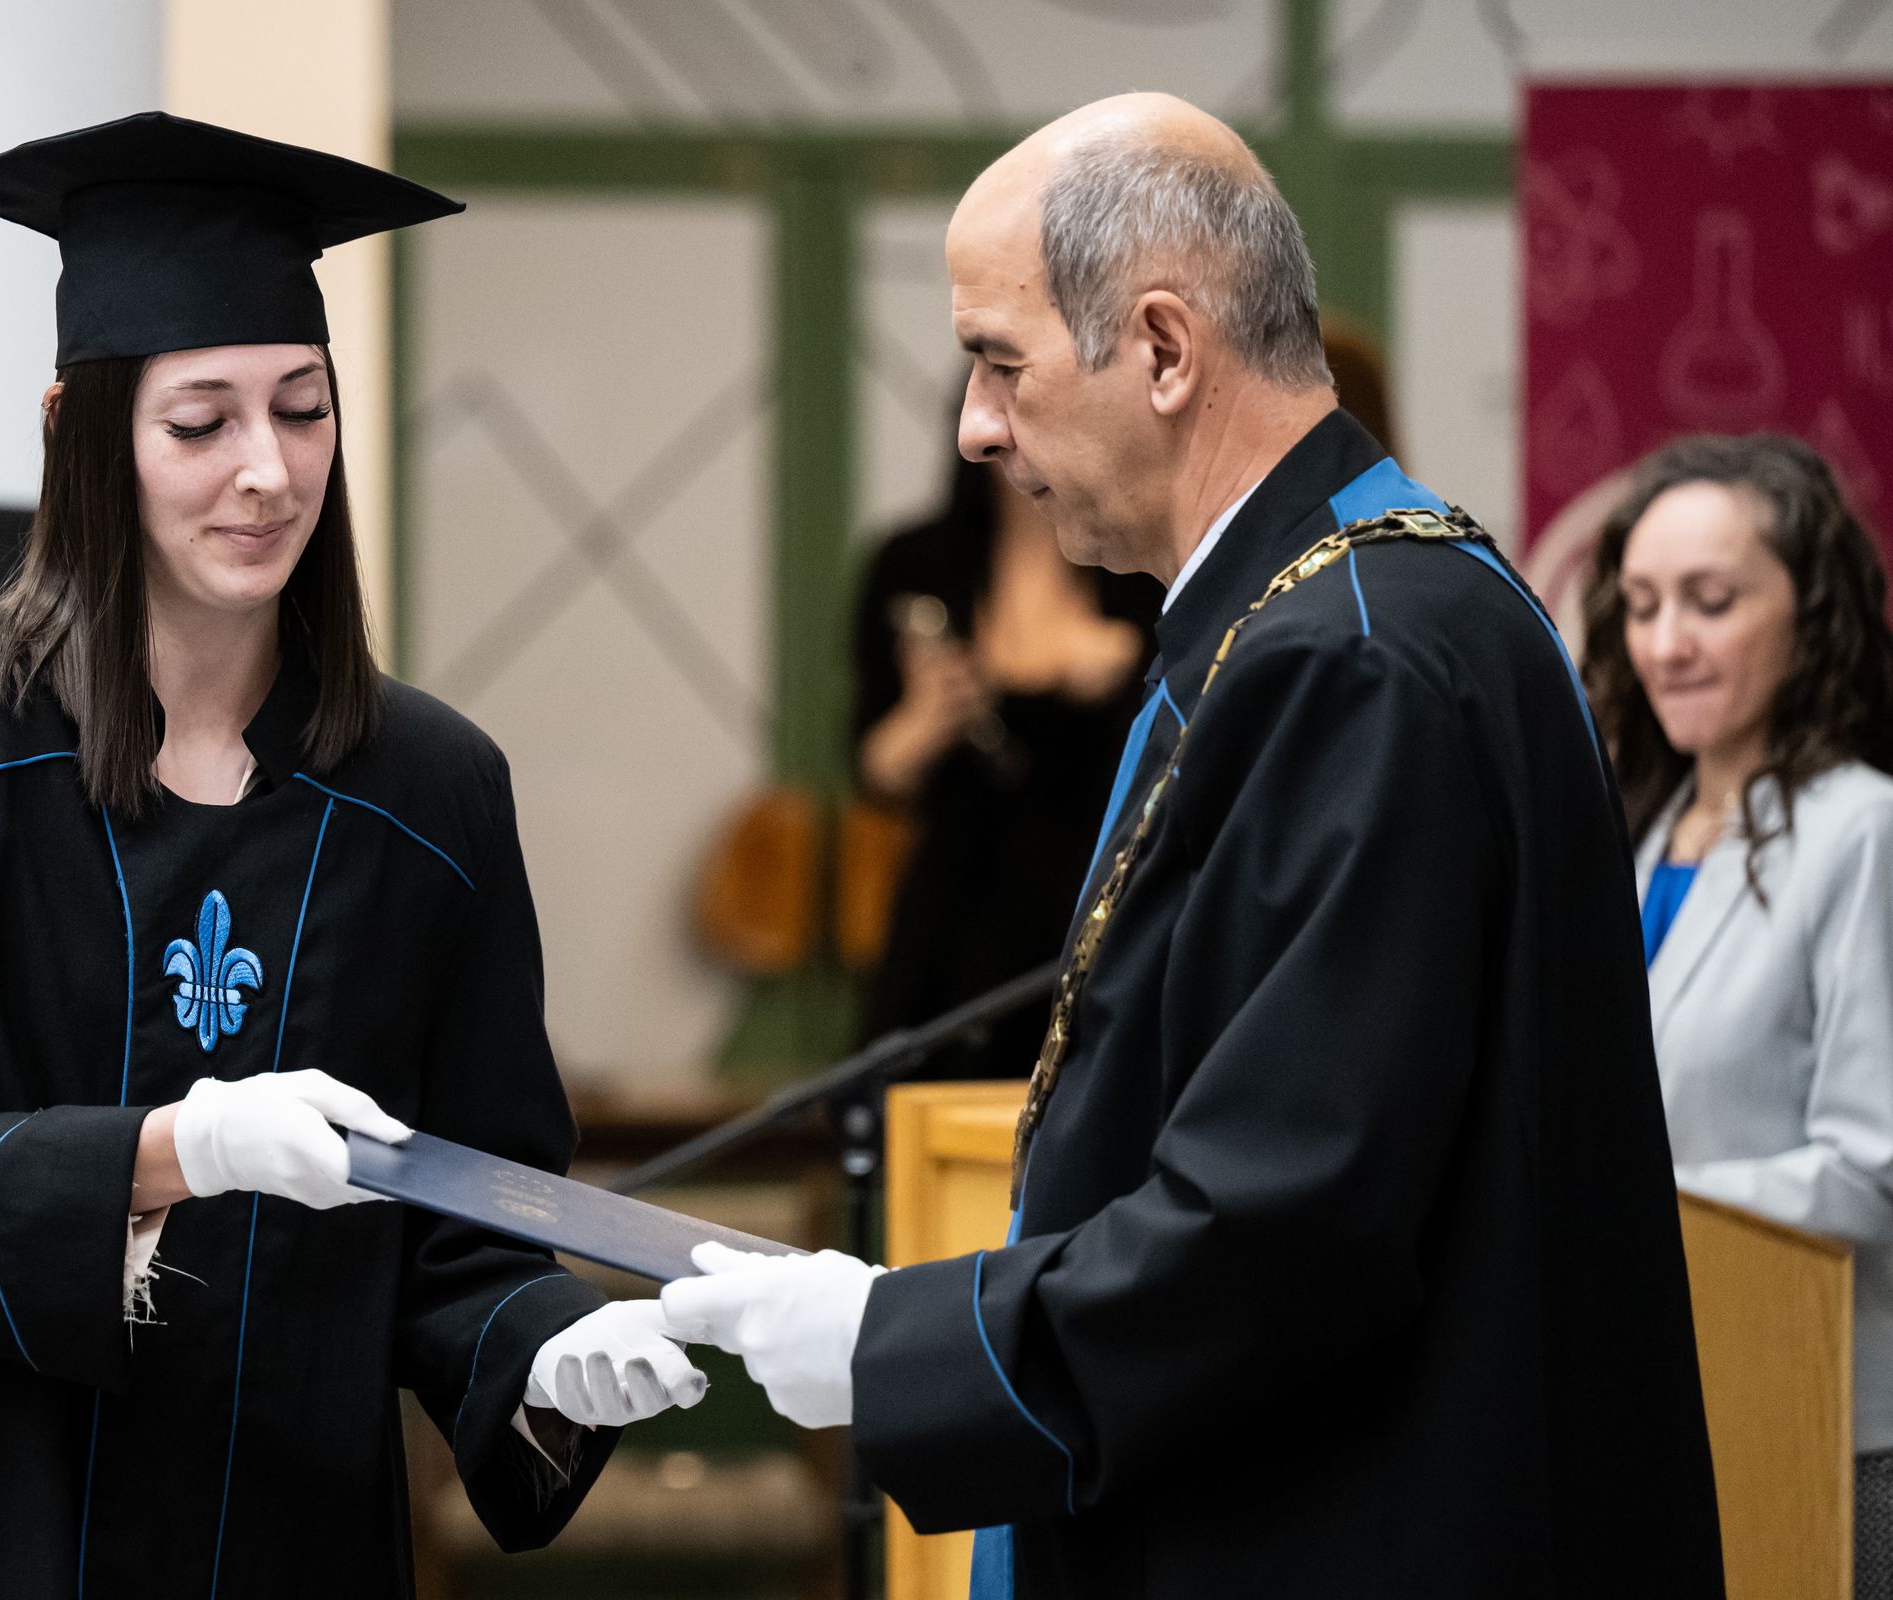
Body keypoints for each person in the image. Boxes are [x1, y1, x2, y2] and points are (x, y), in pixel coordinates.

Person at [660, 93, 1724, 1599]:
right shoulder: (1354, 602)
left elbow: (1288, 1218)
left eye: (1000, 362)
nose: (973, 427)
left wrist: (899, 1340)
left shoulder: (1349, 657)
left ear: (1163, 348)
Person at [0, 113, 701, 1600]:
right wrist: (175, 1153)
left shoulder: (429, 792)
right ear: (78, 432)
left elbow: (464, 1218)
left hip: (280, 1535)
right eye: (202, 423)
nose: (267, 471)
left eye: (303, 410)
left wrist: (546, 1348)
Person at [1581, 432, 1893, 1593]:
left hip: (1827, 1422)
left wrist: (1634, 1208)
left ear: (1810, 612)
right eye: (1642, 605)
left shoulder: (1863, 830)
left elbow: (1874, 1166)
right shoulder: (1638, 838)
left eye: (1710, 603)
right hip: (1671, 1411)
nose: (1667, 643)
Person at [852, 443, 1158, 1078]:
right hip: (959, 896)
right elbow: (877, 770)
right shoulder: (917, 561)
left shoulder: (1139, 556)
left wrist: (1128, 664)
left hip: (1099, 885)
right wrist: (926, 720)